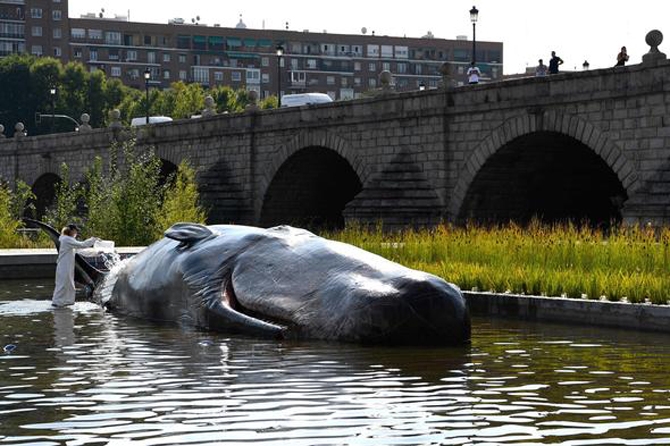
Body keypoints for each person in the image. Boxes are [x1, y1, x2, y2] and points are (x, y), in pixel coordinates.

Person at [52, 224, 98, 307]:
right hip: (64, 267)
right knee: (62, 285)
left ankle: (67, 302)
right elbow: (83, 244)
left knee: (69, 285)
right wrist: (93, 239)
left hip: (67, 267)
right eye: (75, 230)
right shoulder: (66, 239)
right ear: (71, 230)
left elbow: (81, 251)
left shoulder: (70, 241)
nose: (76, 232)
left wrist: (97, 253)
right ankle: (57, 303)